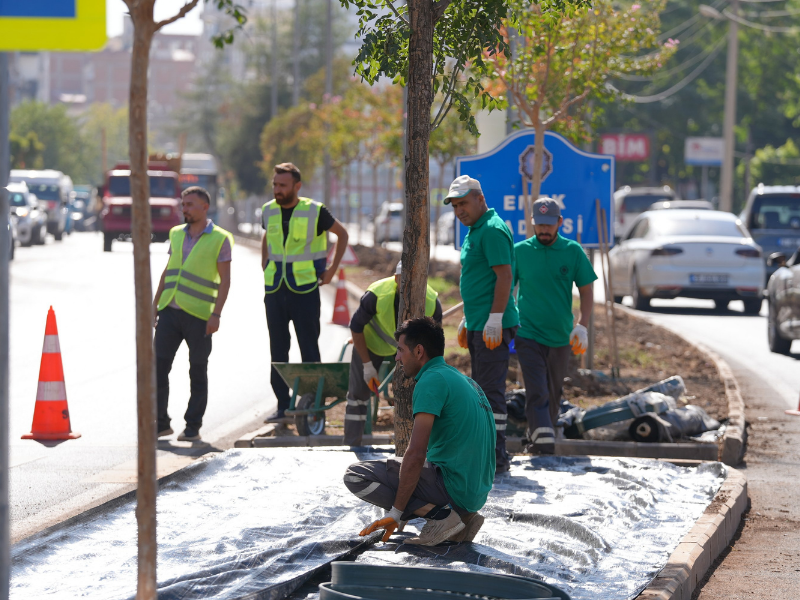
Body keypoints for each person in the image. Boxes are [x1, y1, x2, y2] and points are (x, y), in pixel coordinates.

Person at [343, 317, 495, 546]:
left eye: (400, 350)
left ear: (419, 351)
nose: (397, 357)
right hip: (475, 493)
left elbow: (416, 454)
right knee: (401, 469)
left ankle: (441, 516)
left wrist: (396, 513)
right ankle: (462, 517)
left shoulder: (431, 380)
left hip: (453, 487)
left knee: (356, 475)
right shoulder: (466, 382)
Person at [261, 163, 349, 423]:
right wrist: (264, 263)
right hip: (275, 290)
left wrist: (332, 270)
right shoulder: (268, 210)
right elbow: (267, 236)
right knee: (277, 350)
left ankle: (313, 404)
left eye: (282, 185)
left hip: (305, 290)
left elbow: (342, 235)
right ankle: (282, 406)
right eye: (275, 185)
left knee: (308, 348)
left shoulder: (315, 211)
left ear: (297, 186)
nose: (277, 190)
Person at [445, 175, 519, 475]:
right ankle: (489, 453)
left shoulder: (491, 230)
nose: (459, 210)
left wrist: (495, 318)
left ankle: (497, 457)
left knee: (490, 393)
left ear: (480, 199)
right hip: (480, 322)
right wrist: (470, 318)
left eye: (464, 203)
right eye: (455, 205)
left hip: (494, 326)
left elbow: (504, 276)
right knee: (482, 393)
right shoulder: (475, 230)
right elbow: (480, 281)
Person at [513, 198, 597, 454]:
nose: (544, 230)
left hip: (561, 337)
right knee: (537, 389)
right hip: (527, 333)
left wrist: (582, 325)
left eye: (549, 225)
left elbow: (587, 292)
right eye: (539, 225)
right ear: (532, 223)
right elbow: (505, 286)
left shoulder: (573, 252)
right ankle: (545, 445)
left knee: (553, 391)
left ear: (560, 223)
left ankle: (536, 438)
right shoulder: (520, 251)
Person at [153, 186, 233, 442]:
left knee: (197, 370)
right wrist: (155, 305)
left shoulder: (220, 238)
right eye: (183, 204)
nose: (184, 208)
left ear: (204, 207)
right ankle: (161, 422)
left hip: (199, 316)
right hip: (169, 311)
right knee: (158, 367)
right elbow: (168, 271)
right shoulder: (176, 233)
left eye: (189, 204)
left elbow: (225, 281)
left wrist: (216, 315)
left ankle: (192, 425)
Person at [344, 261, 443, 445]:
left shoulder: (431, 301)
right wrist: (367, 366)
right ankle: (352, 444)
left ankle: (414, 445)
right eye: (403, 279)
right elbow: (356, 326)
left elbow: (434, 343)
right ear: (396, 278)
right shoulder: (376, 295)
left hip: (409, 349)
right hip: (373, 343)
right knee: (358, 394)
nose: (408, 284)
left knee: (415, 391)